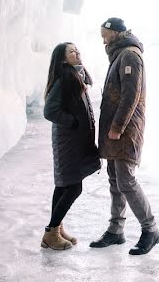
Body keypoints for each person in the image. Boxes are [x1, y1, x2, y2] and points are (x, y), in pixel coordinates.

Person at [89, 17, 159, 255]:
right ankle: (116, 230)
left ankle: (150, 229)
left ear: (116, 33)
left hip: (125, 130)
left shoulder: (130, 55)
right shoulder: (119, 54)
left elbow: (131, 95)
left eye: (105, 35)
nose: (103, 40)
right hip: (115, 130)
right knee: (115, 179)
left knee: (126, 180)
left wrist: (118, 126)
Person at [41, 42, 101, 250]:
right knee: (74, 187)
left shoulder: (77, 75)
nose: (77, 53)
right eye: (71, 51)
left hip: (74, 140)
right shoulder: (63, 79)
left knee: (64, 185)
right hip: (68, 141)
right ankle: (52, 231)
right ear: (63, 59)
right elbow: (49, 111)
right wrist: (73, 122)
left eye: (77, 50)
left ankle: (55, 230)